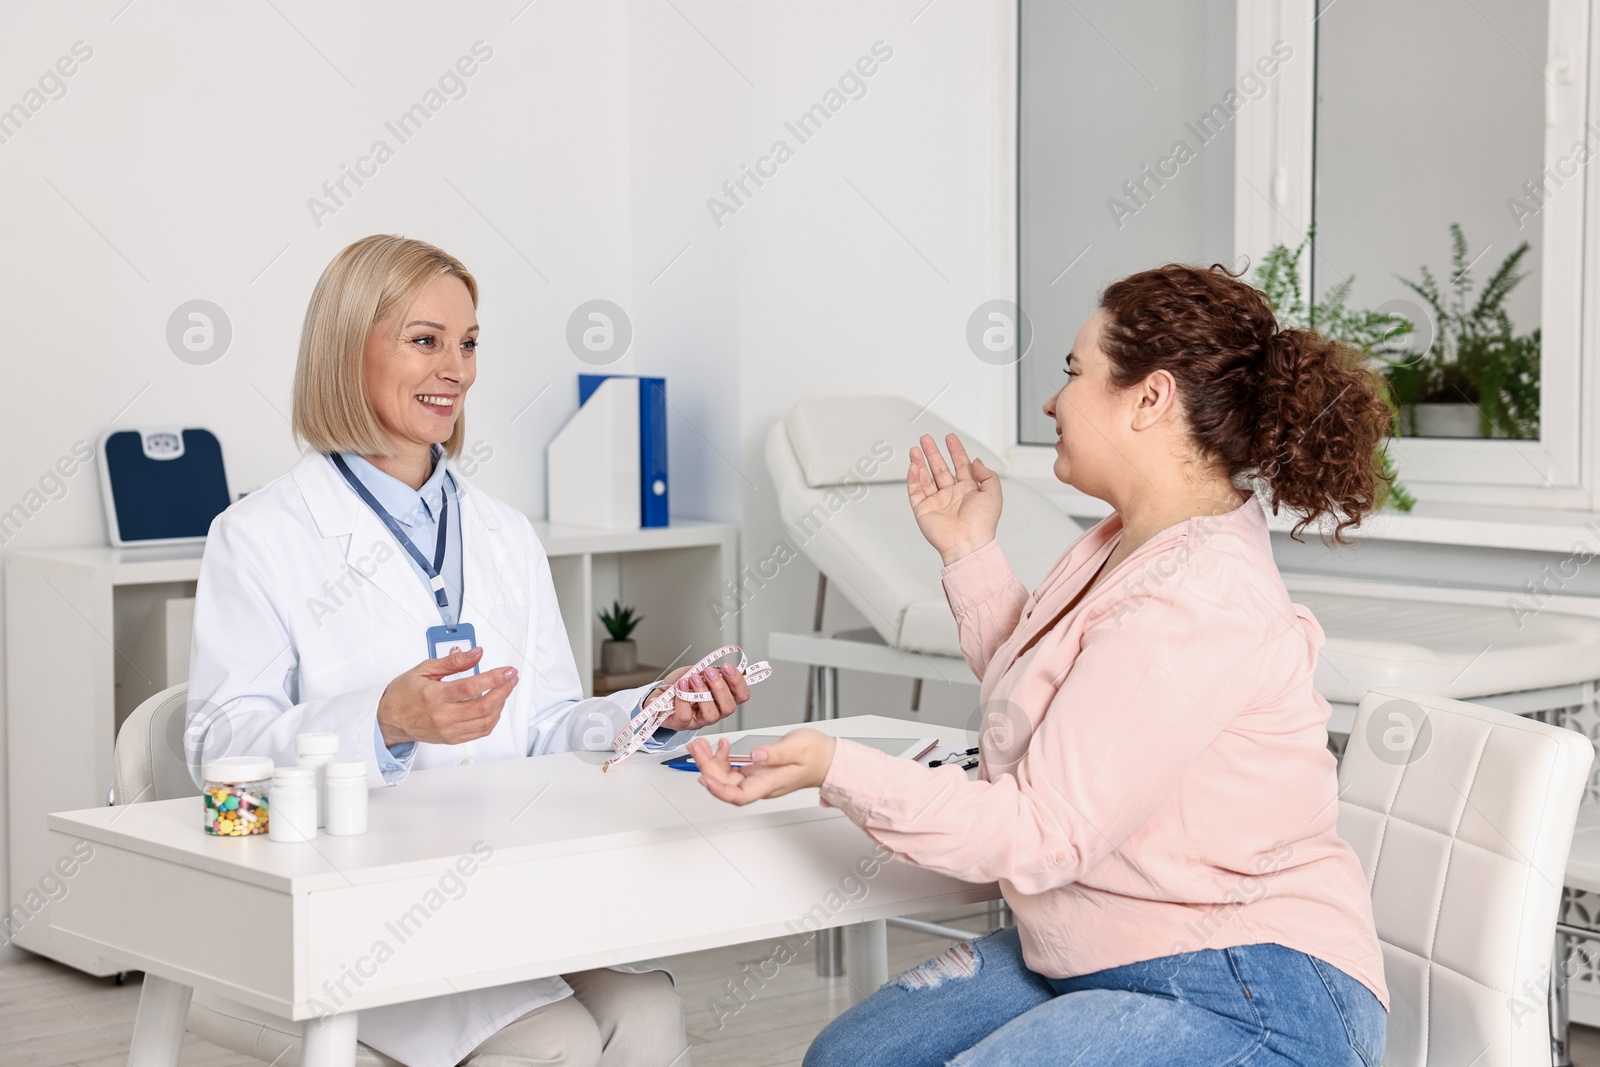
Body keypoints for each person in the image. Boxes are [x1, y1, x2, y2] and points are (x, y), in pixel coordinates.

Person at [690, 262, 1393, 1066]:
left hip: (1250, 986)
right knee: (850, 1058)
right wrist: (968, 550)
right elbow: (1050, 702)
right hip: (1099, 940)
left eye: (1073, 372)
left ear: (1151, 398)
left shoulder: (1198, 598)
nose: (1054, 400)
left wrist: (837, 767)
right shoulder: (1120, 542)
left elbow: (1042, 830)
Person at [188, 234, 743, 1067]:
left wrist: (651, 711)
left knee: (647, 1007)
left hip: (499, 886)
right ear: (348, 349)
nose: (457, 367)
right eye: (426, 339)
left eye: (469, 342)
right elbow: (218, 745)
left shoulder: (502, 533)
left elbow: (548, 723)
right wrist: (383, 719)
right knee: (553, 1035)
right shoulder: (260, 536)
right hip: (354, 902)